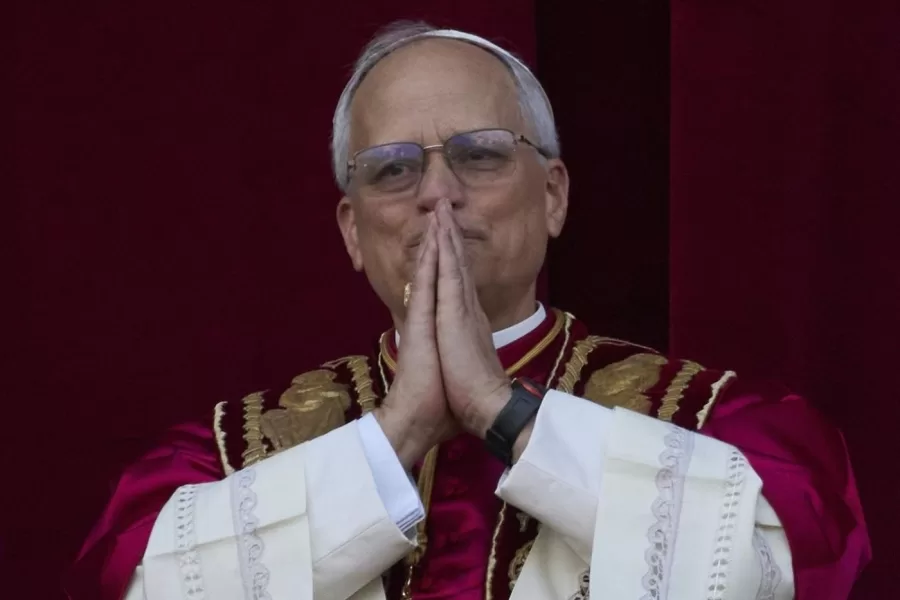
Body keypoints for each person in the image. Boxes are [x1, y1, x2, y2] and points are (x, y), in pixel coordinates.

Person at [65, 21, 871, 600]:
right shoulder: (227, 454)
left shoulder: (717, 421)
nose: (437, 195)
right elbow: (140, 580)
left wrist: (500, 410)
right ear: (352, 229)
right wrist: (400, 432)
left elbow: (795, 560)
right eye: (392, 170)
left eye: (479, 155)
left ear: (553, 196)